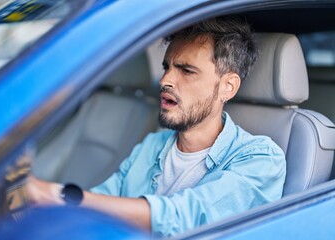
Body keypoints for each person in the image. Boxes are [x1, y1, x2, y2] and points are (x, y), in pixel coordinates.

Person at [26, 17, 286, 237]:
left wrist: (57, 196)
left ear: (228, 86)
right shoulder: (152, 145)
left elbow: (188, 217)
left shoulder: (261, 158)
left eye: (186, 70)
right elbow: (102, 201)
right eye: (167, 67)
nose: (165, 80)